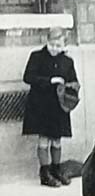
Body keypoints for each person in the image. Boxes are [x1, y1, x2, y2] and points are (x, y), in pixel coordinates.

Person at [22, 28, 79, 187]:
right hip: (40, 104)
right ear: (46, 42)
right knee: (44, 138)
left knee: (57, 138)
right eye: (51, 44)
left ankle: (56, 169)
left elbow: (74, 81)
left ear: (63, 45)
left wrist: (70, 86)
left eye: (58, 45)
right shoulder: (36, 56)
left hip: (59, 105)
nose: (54, 48)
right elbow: (28, 77)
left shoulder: (67, 61)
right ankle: (45, 172)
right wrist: (50, 81)